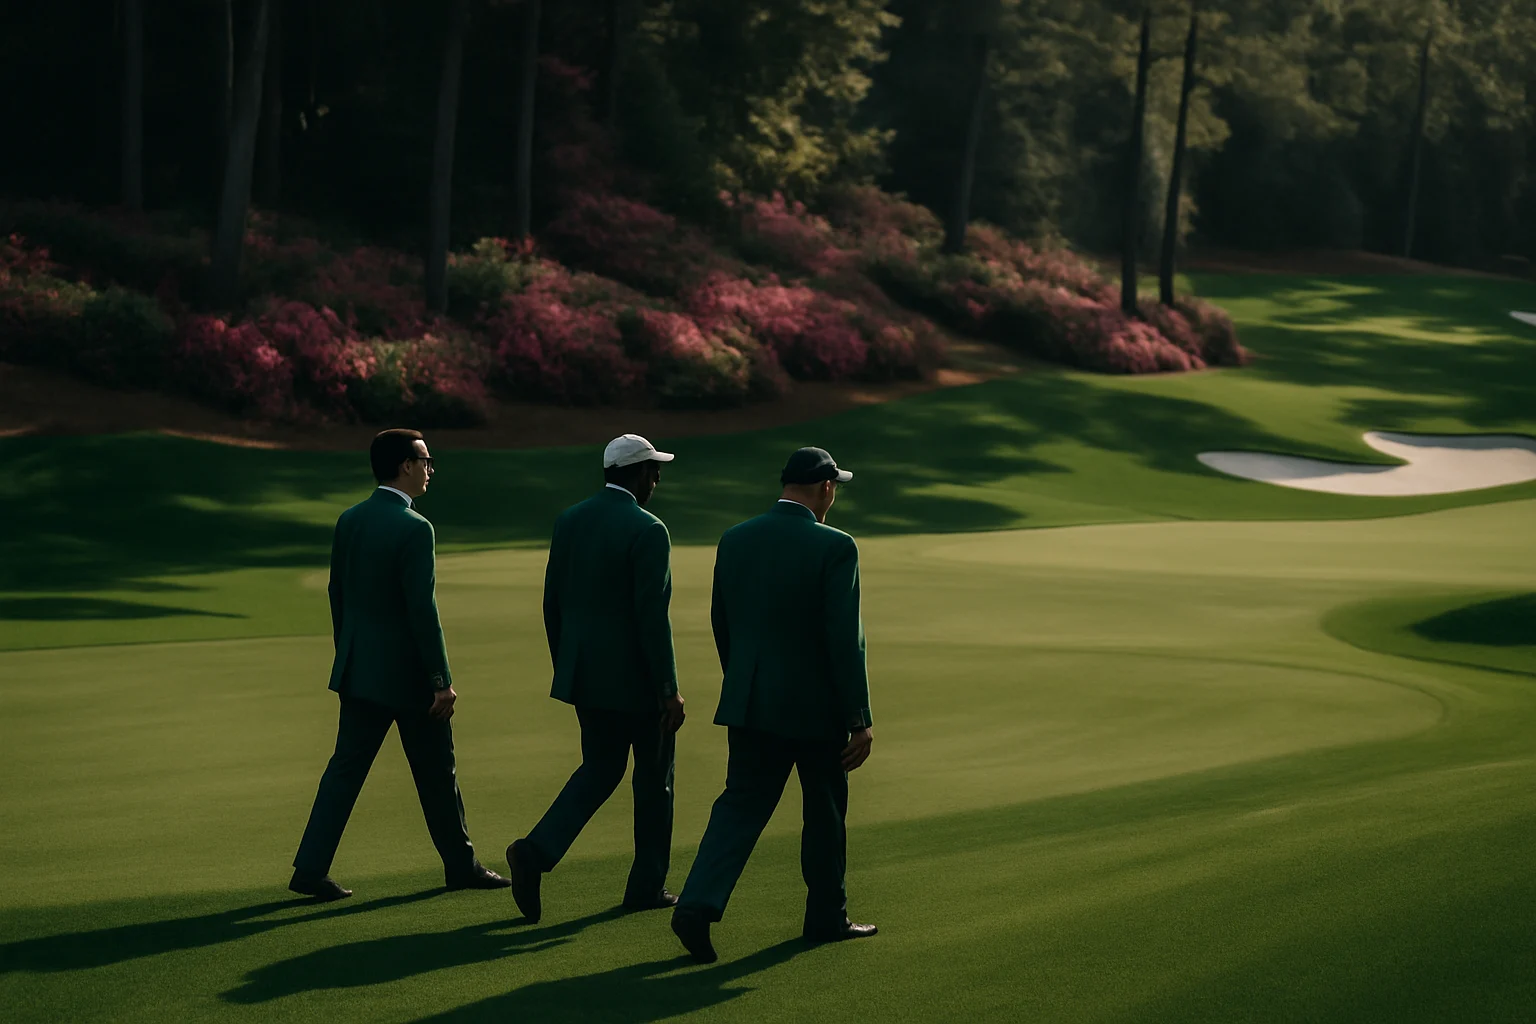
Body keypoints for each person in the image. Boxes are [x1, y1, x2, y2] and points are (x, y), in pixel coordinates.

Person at [670, 446, 876, 964]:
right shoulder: (837, 546)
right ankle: (827, 916)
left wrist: (743, 682)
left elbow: (723, 623)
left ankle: (696, 904)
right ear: (827, 488)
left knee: (740, 805)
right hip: (816, 708)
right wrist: (859, 719)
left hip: (752, 700)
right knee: (825, 810)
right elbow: (844, 641)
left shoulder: (736, 538)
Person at [289, 429, 509, 901]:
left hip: (359, 671)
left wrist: (347, 654)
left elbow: (338, 595)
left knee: (344, 770)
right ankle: (461, 865)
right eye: (425, 460)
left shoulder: (350, 519)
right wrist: (440, 680)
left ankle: (309, 869)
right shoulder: (415, 527)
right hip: (408, 679)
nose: (430, 469)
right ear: (405, 466)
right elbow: (421, 610)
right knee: (436, 771)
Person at [507, 434, 686, 922]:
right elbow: (653, 618)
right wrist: (668, 689)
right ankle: (646, 886)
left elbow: (552, 604)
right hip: (638, 684)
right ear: (636, 474)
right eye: (653, 469)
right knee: (654, 780)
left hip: (585, 675)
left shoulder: (570, 520)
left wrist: (567, 665)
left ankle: (536, 852)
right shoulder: (649, 529)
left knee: (601, 768)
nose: (657, 478)